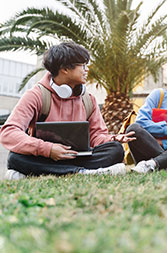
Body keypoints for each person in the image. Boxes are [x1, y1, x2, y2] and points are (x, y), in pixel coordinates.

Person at [0, 42, 135, 179]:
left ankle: (48, 172)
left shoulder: (89, 99)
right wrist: (48, 149)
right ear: (65, 69)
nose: (86, 70)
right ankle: (82, 172)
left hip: (78, 156)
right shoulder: (35, 95)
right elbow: (9, 132)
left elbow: (96, 137)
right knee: (15, 157)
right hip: (45, 156)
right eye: (82, 66)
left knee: (115, 150)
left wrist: (113, 138)